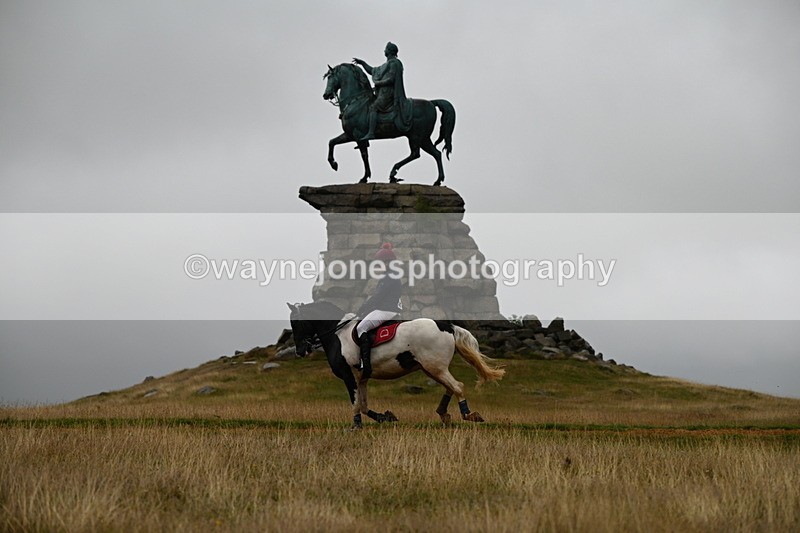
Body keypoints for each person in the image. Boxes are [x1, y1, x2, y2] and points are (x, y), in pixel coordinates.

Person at [355, 243, 402, 377]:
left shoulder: (389, 276)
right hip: (390, 308)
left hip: (387, 310)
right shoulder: (391, 275)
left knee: (361, 328)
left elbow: (378, 297)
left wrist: (362, 309)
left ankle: (366, 365)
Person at [352, 42, 413, 141]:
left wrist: (379, 83)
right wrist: (362, 63)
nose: (384, 50)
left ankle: (371, 133)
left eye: (386, 49)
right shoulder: (386, 65)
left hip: (389, 93)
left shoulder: (394, 63)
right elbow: (372, 71)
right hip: (382, 92)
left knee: (374, 107)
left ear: (389, 51)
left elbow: (391, 79)